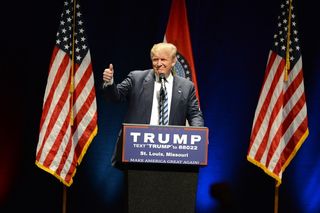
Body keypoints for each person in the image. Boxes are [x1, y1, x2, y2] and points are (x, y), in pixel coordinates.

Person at [102, 42, 204, 168]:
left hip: (172, 153)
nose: (159, 63)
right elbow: (116, 97)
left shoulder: (186, 87)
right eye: (155, 59)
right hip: (138, 150)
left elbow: (194, 114)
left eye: (163, 59)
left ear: (173, 61)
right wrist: (109, 82)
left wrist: (198, 135)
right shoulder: (136, 78)